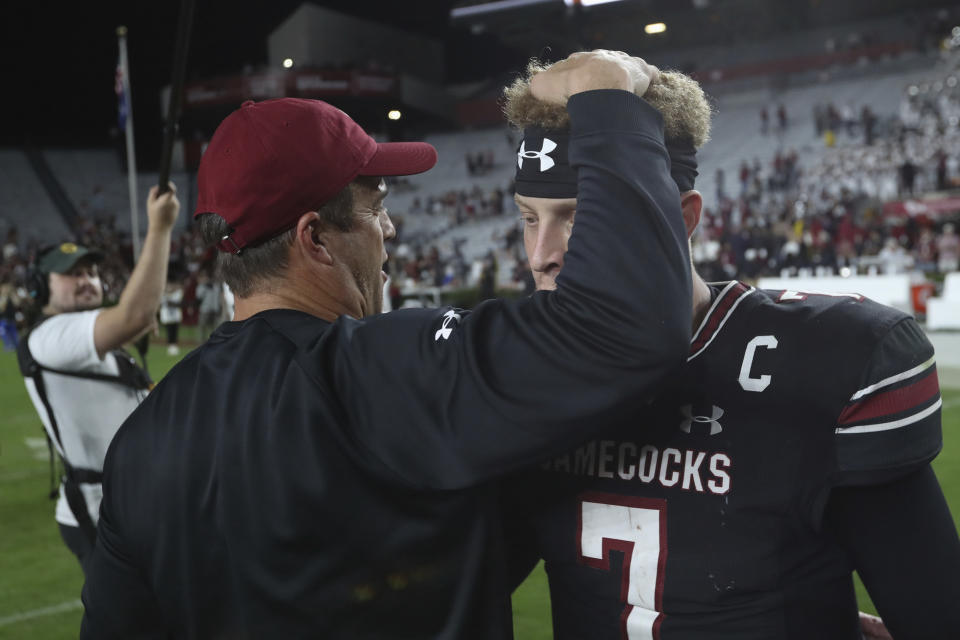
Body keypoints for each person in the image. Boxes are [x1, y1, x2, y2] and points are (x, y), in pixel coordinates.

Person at [79, 51, 695, 639]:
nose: (391, 229)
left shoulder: (139, 443)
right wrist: (608, 99)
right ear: (316, 240)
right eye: (376, 209)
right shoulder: (385, 370)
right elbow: (623, 323)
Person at [500, 60, 960, 639]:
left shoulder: (823, 362)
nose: (541, 253)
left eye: (576, 218)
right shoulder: (520, 371)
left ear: (681, 219)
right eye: (528, 218)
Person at [16, 185, 180, 571]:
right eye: (72, 275)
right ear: (40, 289)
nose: (87, 279)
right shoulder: (50, 335)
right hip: (103, 514)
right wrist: (160, 228)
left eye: (91, 271)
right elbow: (134, 316)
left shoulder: (82, 336)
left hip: (132, 504)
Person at [158, 278, 184, 355]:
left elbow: (177, 302)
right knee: (169, 331)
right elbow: (161, 303)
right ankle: (170, 346)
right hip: (167, 317)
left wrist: (168, 298)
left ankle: (175, 346)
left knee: (175, 331)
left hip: (175, 316)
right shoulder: (163, 294)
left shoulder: (178, 293)